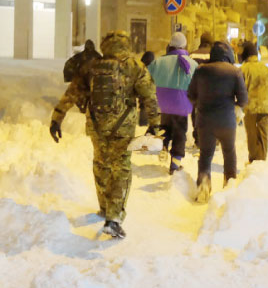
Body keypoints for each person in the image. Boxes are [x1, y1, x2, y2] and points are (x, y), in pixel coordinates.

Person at [49, 30, 159, 238]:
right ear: (126, 44)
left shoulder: (93, 66)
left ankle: (104, 206)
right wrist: (155, 125)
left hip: (97, 126)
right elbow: (149, 97)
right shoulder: (135, 66)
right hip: (123, 128)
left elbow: (72, 92)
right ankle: (114, 217)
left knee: (101, 163)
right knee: (121, 168)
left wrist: (57, 117)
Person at [187, 41, 248, 203]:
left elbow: (191, 95)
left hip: (205, 121)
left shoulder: (200, 71)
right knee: (229, 153)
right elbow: (243, 98)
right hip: (227, 121)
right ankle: (229, 184)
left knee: (206, 155)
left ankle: (203, 185)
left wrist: (199, 104)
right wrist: (235, 106)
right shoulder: (235, 72)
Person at [147, 32, 199, 174]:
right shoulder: (192, 64)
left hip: (163, 102)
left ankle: (163, 147)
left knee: (165, 126)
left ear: (169, 46)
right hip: (182, 103)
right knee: (180, 133)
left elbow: (147, 76)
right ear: (184, 46)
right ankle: (175, 164)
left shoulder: (159, 61)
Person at [240, 41, 268, 163]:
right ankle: (262, 160)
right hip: (264, 108)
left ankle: (253, 160)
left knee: (251, 135)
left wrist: (237, 107)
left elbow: (239, 90)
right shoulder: (267, 69)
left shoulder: (243, 70)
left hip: (250, 107)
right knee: (263, 134)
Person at [188, 32, 213, 147]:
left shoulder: (192, 55)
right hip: (210, 90)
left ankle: (198, 138)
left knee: (196, 114)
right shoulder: (213, 54)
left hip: (195, 89)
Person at [138, 51, 155, 126]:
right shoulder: (154, 68)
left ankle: (143, 122)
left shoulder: (142, 68)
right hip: (151, 92)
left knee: (143, 106)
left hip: (143, 92)